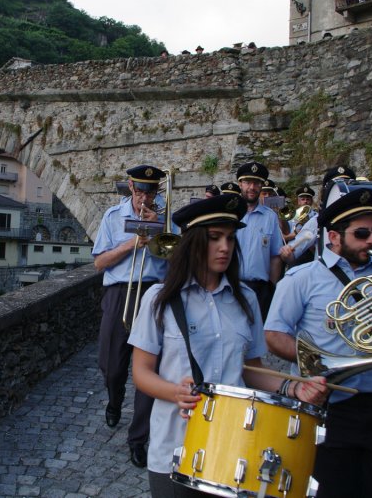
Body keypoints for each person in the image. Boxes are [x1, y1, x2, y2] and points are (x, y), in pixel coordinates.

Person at [128, 194, 329, 498]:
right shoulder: (160, 299)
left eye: (231, 239)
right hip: (175, 445)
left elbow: (251, 370)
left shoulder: (245, 298)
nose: (225, 247)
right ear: (193, 242)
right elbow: (141, 373)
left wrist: (293, 388)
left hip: (233, 449)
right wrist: (175, 393)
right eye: (214, 238)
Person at [264, 188, 372, 498]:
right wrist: (319, 361)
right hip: (329, 406)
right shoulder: (302, 278)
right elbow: (274, 335)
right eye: (362, 233)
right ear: (334, 236)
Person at [92, 164, 168, 468]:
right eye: (140, 191)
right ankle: (114, 399)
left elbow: (177, 258)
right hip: (119, 293)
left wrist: (160, 231)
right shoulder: (113, 217)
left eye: (151, 192)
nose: (145, 198)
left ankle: (138, 439)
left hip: (154, 293)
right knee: (111, 365)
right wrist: (131, 244)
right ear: (130, 188)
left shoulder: (167, 219)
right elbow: (99, 263)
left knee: (149, 370)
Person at [280, 166, 356, 267]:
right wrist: (286, 253)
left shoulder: (366, 219)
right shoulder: (317, 221)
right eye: (336, 187)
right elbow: (293, 253)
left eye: (345, 185)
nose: (341, 191)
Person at [236, 161, 284, 318]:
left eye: (256, 183)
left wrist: (272, 287)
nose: (252, 187)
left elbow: (275, 257)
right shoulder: (231, 214)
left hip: (260, 289)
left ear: (261, 186)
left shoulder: (270, 217)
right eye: (247, 182)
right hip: (232, 286)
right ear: (240, 184)